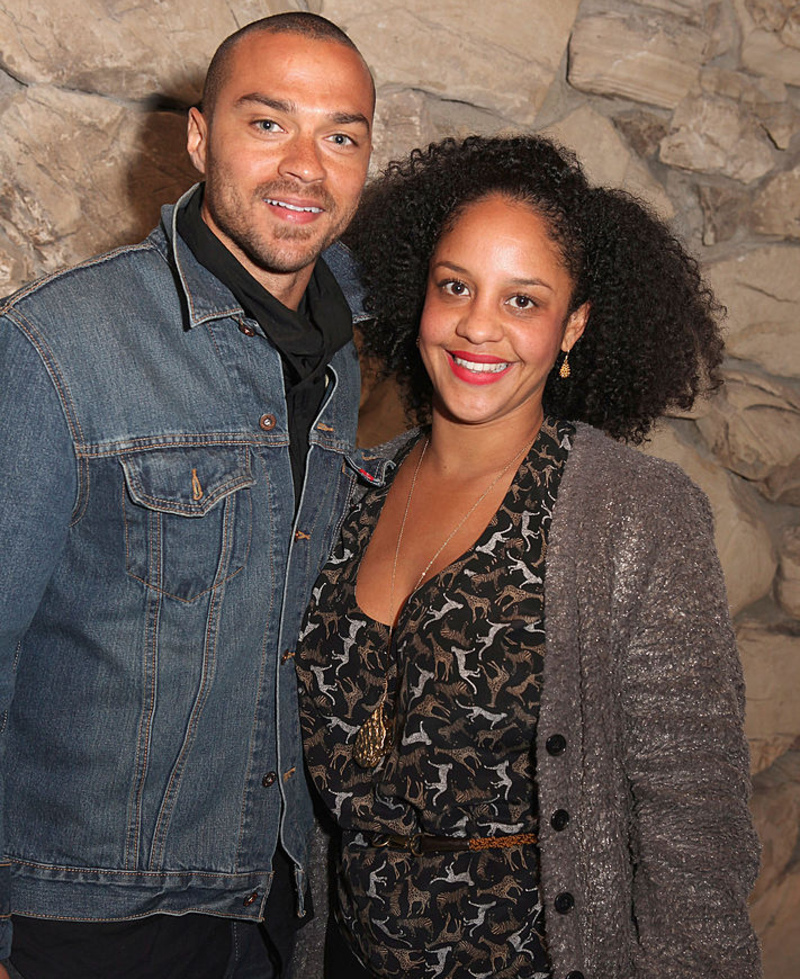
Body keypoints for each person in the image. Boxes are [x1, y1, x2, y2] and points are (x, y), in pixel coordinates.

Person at [295, 135, 762, 979]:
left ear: (573, 324)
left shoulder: (634, 515)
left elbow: (695, 824)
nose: (478, 325)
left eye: (523, 301)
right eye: (456, 287)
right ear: (419, 296)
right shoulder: (351, 489)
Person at [0, 12, 378, 979]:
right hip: (85, 920)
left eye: (340, 134)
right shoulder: (59, 347)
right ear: (200, 137)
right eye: (268, 124)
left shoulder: (343, 368)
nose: (306, 165)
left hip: (269, 906)